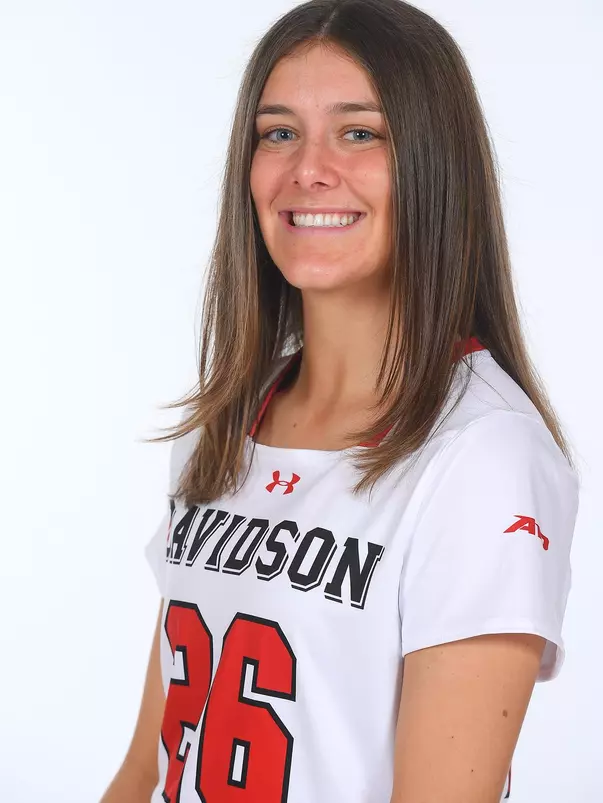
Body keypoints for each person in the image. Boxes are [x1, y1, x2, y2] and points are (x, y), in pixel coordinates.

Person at [100, 1, 580, 801]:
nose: (307, 170)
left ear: (433, 164)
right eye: (277, 132)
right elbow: (147, 766)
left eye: (360, 133)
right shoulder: (223, 424)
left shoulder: (481, 456)